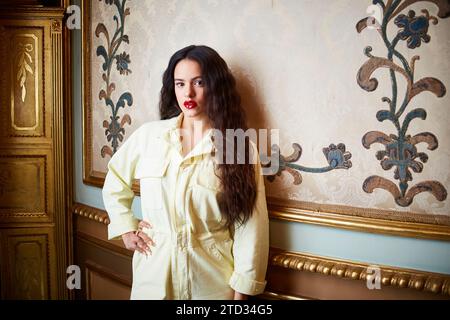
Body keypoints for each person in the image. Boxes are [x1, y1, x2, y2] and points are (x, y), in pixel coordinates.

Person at [102, 45, 269, 300]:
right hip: (154, 277)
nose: (188, 92)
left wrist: (242, 294)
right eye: (180, 84)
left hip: (211, 282)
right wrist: (126, 227)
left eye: (198, 82)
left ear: (215, 86)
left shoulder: (239, 147)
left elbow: (250, 225)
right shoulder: (150, 135)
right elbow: (115, 179)